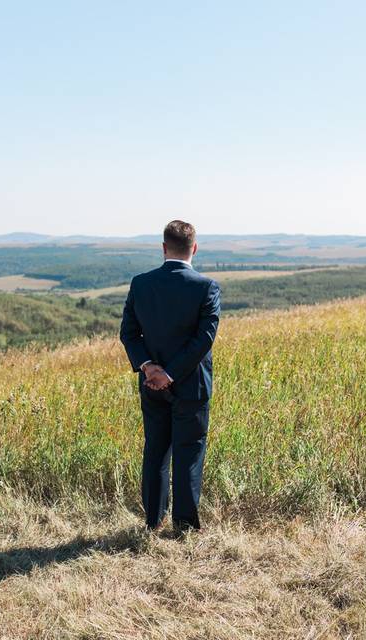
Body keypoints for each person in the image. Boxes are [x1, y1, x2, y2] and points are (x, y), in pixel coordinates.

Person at [120, 220, 221, 534]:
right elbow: (203, 340)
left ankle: (153, 521)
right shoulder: (206, 287)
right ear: (194, 248)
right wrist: (171, 374)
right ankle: (185, 526)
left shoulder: (141, 283)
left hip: (151, 385)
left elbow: (129, 334)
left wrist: (150, 368)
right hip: (191, 385)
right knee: (189, 453)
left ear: (164, 248)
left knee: (155, 451)